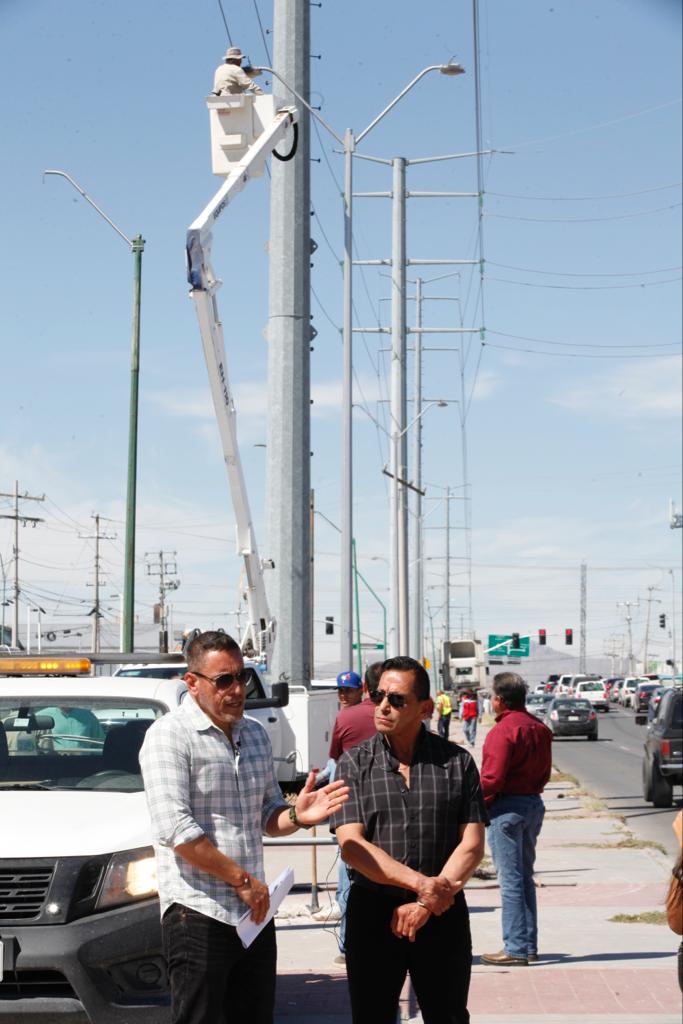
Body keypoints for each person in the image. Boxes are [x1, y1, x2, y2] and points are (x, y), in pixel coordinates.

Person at [139, 630, 348, 1024]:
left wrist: (299, 816)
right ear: (193, 683)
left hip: (252, 913)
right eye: (224, 681)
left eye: (241, 678)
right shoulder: (169, 736)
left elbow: (267, 815)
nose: (236, 690)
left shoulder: (253, 733)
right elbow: (176, 830)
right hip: (199, 911)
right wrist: (243, 881)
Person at [331, 656, 487, 1024]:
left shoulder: (457, 763)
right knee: (371, 1016)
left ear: (425, 708)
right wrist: (421, 886)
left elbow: (472, 844)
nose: (383, 706)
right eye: (378, 695)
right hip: (373, 914)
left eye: (397, 699)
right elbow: (352, 846)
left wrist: (426, 904)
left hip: (442, 914)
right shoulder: (353, 764)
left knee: (447, 1015)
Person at [479, 671, 552, 967]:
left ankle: (516, 948)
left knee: (510, 880)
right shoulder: (539, 728)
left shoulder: (503, 731)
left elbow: (492, 779)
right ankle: (527, 944)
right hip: (533, 804)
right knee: (524, 877)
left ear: (498, 700)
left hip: (506, 809)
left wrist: (474, 804)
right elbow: (545, 771)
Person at [319, 663, 382, 961]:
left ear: (364, 689)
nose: (343, 695)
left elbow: (335, 758)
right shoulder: (395, 716)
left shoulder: (346, 717)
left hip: (350, 804)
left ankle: (348, 944)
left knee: (348, 869)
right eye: (341, 691)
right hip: (385, 806)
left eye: (348, 690)